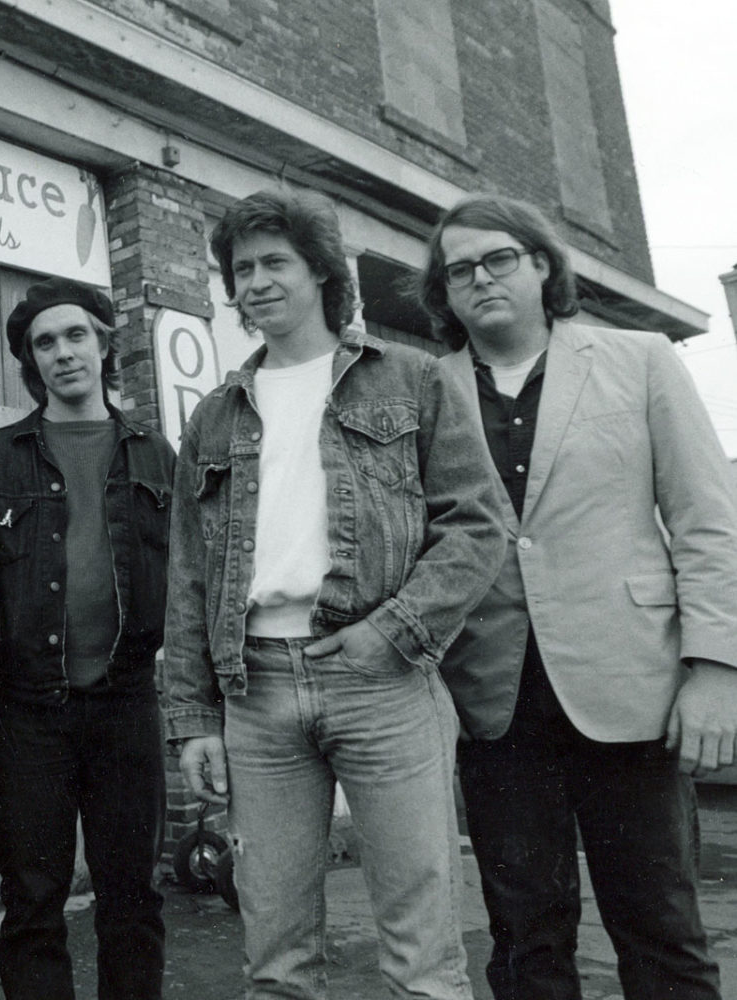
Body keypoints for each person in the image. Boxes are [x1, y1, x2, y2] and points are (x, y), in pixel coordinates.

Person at [165, 188, 506, 1000]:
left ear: (321, 271)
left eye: (274, 262)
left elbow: (478, 527)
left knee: (422, 959)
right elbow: (188, 579)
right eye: (241, 269)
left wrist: (394, 632)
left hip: (384, 681)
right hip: (256, 690)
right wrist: (192, 720)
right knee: (276, 963)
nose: (255, 282)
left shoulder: (409, 381)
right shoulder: (214, 417)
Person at [420, 193, 737, 1000]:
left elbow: (707, 519)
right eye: (460, 270)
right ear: (445, 293)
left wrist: (715, 669)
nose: (480, 278)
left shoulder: (641, 359)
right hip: (493, 703)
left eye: (499, 259)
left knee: (662, 930)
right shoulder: (423, 390)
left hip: (632, 686)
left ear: (541, 266)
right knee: (525, 939)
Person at [0, 278, 172, 1000]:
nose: (62, 352)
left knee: (132, 894)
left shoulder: (154, 455)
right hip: (26, 713)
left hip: (127, 702)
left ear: (104, 345)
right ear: (30, 362)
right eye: (43, 343)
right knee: (32, 899)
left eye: (75, 335)